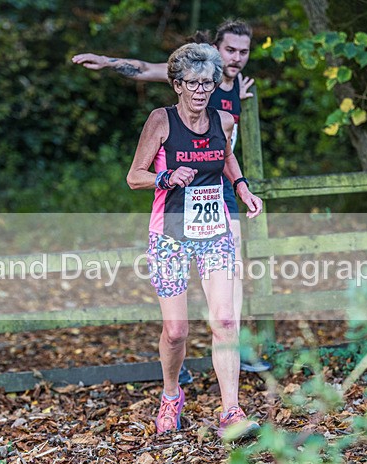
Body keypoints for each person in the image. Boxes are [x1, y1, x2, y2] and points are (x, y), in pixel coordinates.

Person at [73, 19, 272, 377]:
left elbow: (227, 151)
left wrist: (241, 184)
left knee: (233, 268)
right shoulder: (193, 82)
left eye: (243, 52)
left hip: (218, 186)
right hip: (180, 193)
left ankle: (233, 343)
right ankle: (178, 346)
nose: (236, 58)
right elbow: (148, 69)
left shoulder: (234, 88)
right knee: (179, 303)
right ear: (216, 48)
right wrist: (105, 61)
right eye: (230, 50)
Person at [126, 43, 262, 440]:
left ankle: (231, 411)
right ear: (177, 85)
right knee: (176, 331)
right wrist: (166, 177)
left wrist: (241, 187)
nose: (201, 90)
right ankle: (171, 396)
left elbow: (224, 158)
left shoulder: (222, 120)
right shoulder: (161, 121)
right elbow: (134, 176)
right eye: (193, 83)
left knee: (224, 319)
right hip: (169, 236)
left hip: (213, 230)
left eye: (208, 82)